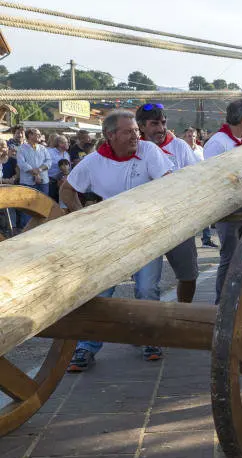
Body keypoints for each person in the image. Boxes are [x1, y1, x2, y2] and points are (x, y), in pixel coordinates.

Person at [61, 110, 173, 370]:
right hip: (108, 237)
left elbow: (169, 184)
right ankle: (86, 346)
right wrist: (81, 216)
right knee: (100, 291)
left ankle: (150, 339)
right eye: (128, 132)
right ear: (110, 135)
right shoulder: (93, 162)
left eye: (136, 130)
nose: (136, 136)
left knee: (147, 289)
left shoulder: (149, 151)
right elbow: (67, 190)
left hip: (147, 232)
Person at [136, 103, 201, 304]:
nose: (161, 128)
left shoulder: (179, 146)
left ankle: (183, 312)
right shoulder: (134, 148)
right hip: (144, 225)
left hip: (178, 220)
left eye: (163, 123)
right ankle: (149, 320)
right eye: (154, 124)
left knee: (188, 275)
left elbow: (196, 177)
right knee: (145, 287)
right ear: (141, 126)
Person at [204, 99, 242, 304]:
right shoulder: (218, 143)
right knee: (230, 256)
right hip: (227, 208)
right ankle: (223, 304)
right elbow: (212, 177)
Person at [17, 128, 51, 197]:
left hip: (43, 181)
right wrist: (35, 174)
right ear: (30, 135)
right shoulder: (21, 148)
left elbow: (49, 161)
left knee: (43, 201)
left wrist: (39, 170)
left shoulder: (43, 148)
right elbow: (22, 163)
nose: (40, 136)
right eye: (38, 134)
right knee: (27, 202)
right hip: (27, 182)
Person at [46, 135, 70, 201]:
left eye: (68, 142)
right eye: (66, 142)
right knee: (52, 201)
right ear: (59, 143)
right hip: (51, 182)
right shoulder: (49, 152)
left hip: (63, 182)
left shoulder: (66, 154)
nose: (68, 144)